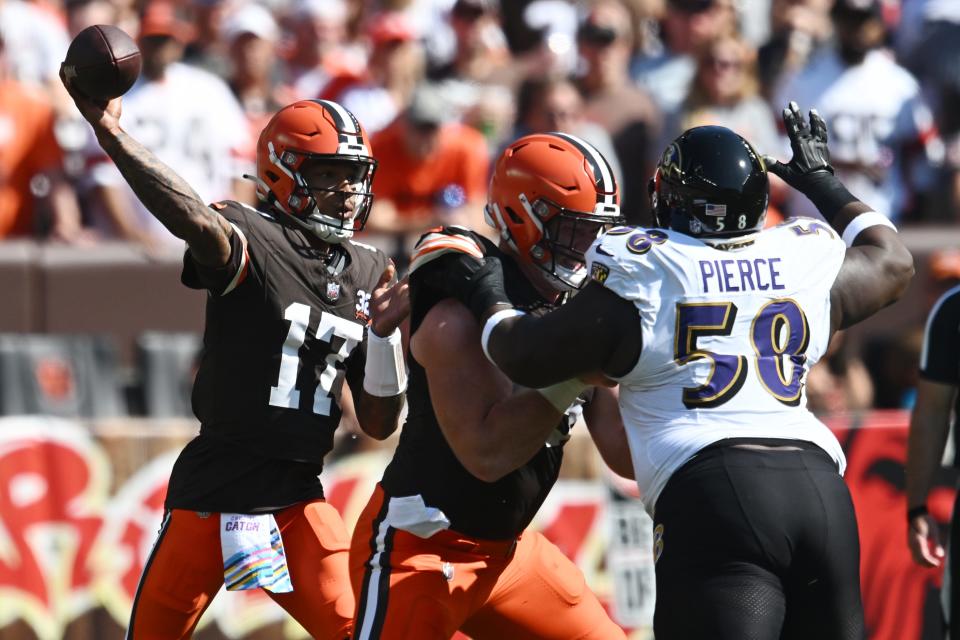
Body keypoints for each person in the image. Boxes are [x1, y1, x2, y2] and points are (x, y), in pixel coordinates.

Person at [438, 103, 914, 638]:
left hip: (716, 492)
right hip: (821, 488)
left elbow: (518, 351)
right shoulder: (797, 255)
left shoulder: (647, 269)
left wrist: (482, 284)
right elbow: (893, 261)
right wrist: (824, 184)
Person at [63, 55, 409, 638]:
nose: (348, 193)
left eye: (355, 176)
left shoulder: (371, 269)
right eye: (330, 175)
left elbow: (378, 422)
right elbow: (192, 217)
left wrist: (384, 338)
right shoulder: (250, 233)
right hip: (212, 492)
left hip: (298, 497)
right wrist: (112, 134)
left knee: (361, 632)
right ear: (283, 173)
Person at [349, 132, 633, 640]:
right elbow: (485, 456)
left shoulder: (577, 307)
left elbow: (623, 451)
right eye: (574, 230)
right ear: (524, 219)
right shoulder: (454, 314)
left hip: (512, 553)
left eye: (598, 233)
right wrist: (575, 369)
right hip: (422, 547)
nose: (588, 249)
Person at [906, 282, 960, 634]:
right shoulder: (952, 310)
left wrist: (917, 507)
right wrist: (917, 507)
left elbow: (931, 413)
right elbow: (931, 414)